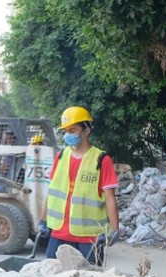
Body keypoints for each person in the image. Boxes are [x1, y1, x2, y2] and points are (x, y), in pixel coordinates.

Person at [41, 106, 119, 264]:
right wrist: (43, 220)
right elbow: (51, 192)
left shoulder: (102, 160)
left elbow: (110, 199)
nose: (68, 135)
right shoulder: (60, 157)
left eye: (72, 130)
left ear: (86, 131)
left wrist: (115, 229)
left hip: (89, 237)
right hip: (59, 233)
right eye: (66, 131)